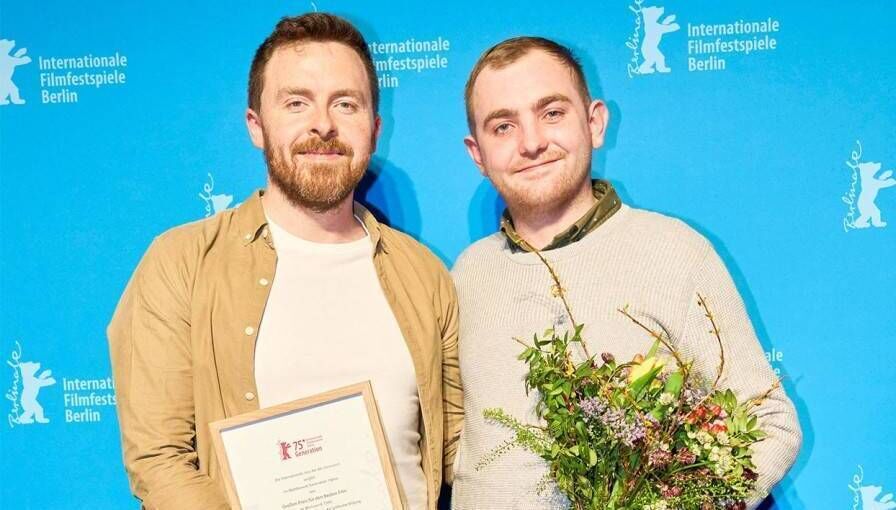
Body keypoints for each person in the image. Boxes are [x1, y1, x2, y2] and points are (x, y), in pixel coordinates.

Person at [107, 13, 462, 510]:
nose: (323, 124)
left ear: (375, 128)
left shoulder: (425, 275)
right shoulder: (181, 263)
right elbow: (160, 461)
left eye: (346, 103)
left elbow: (457, 451)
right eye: (297, 103)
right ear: (256, 125)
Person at [450, 36, 801, 509]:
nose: (531, 142)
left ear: (594, 122)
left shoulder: (675, 251)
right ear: (477, 153)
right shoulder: (467, 274)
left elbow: (770, 421)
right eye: (503, 126)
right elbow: (455, 439)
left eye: (552, 113)